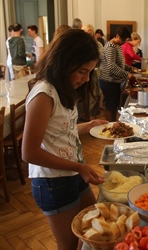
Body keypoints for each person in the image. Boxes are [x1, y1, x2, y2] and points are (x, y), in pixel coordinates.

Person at [21, 29, 107, 250]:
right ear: (63, 62)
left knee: (90, 230)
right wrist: (79, 166)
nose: (86, 78)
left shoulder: (61, 89)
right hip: (52, 182)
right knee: (68, 244)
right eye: (81, 71)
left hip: (72, 173)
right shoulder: (43, 94)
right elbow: (29, 152)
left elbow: (60, 132)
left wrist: (87, 126)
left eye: (90, 72)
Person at [99, 26, 135, 122]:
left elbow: (120, 64)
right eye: (123, 39)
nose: (124, 42)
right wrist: (127, 74)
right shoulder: (110, 47)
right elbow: (112, 66)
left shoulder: (117, 46)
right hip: (108, 81)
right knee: (110, 106)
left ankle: (113, 123)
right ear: (117, 36)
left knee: (114, 106)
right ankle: (110, 125)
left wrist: (130, 68)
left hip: (114, 81)